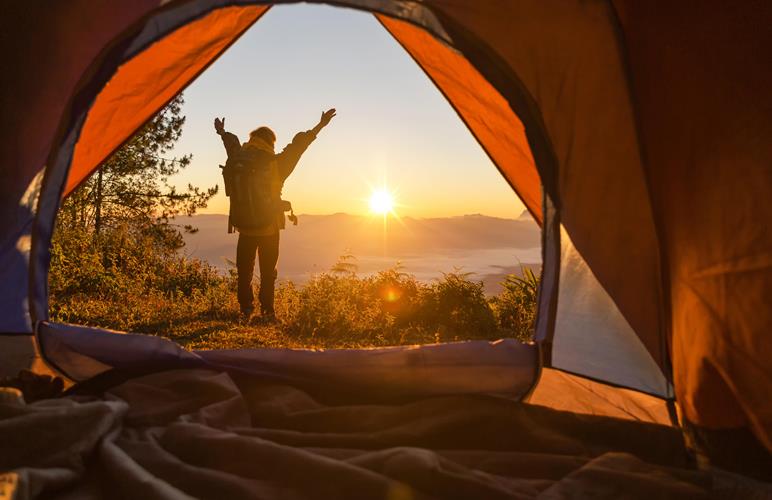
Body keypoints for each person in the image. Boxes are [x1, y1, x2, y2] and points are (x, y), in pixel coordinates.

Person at [215, 109, 336, 322]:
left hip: (243, 225)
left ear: (252, 139)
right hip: (269, 227)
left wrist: (221, 131)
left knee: (244, 270)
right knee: (268, 272)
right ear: (270, 142)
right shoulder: (278, 163)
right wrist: (320, 125)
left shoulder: (238, 157)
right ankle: (268, 312)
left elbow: (231, 142)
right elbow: (300, 145)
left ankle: (245, 309)